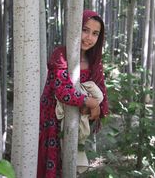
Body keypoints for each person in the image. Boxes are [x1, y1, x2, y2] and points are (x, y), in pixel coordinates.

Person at [37, 10, 109, 178]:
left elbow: (100, 89)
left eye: (95, 33)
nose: (88, 37)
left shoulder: (94, 61)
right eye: (85, 29)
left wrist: (94, 106)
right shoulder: (61, 54)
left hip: (76, 120)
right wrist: (89, 102)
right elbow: (62, 90)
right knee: (52, 164)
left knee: (70, 165)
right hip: (52, 120)